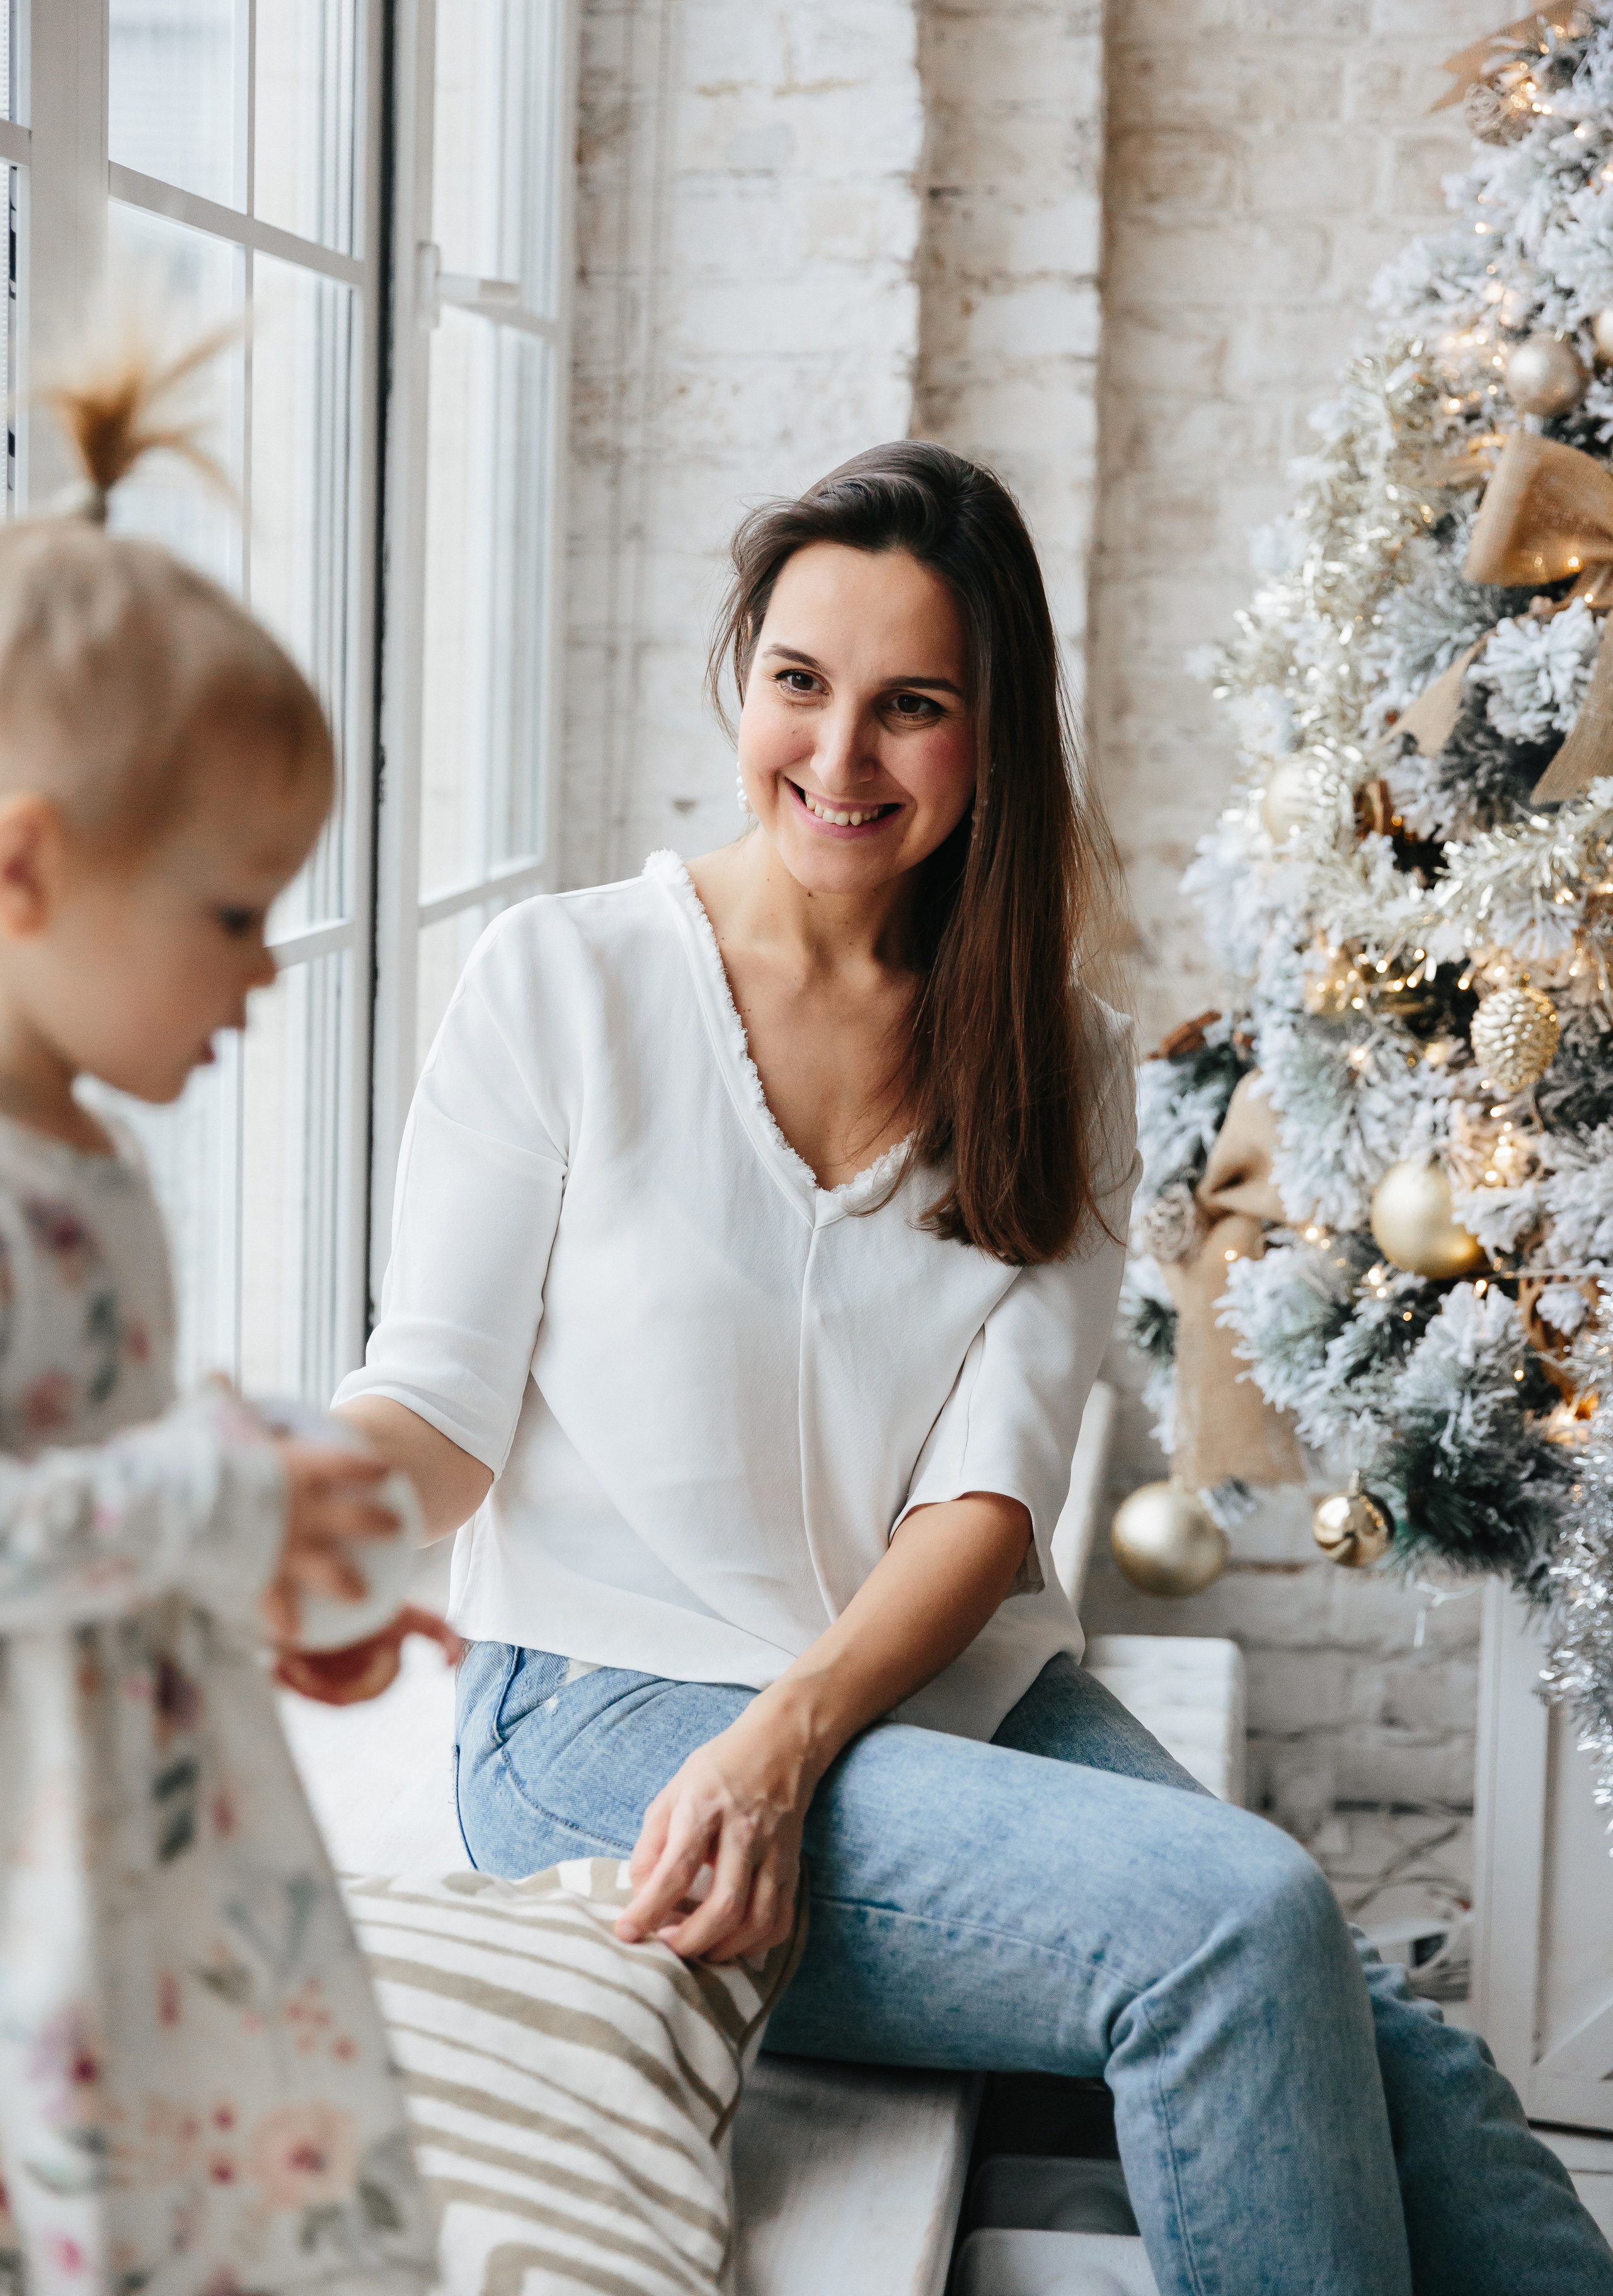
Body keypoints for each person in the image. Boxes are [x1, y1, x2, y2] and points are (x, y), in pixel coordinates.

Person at [336, 442, 1613, 2295]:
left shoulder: (1059, 1058)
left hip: (918, 1690)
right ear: (744, 678)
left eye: (911, 708)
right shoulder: (564, 983)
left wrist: (793, 1733)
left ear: (993, 734)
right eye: (800, 685)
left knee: (1405, 2048)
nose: (839, 759)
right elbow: (434, 1414)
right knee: (1233, 1927)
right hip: (603, 1720)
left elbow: (983, 1504)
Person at [0, 347, 443, 2296]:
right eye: (232, 912)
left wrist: (265, 1534)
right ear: (27, 869)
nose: (267, 974)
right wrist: (198, 1495)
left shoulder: (79, 1154)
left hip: (127, 1841)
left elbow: (90, 1461)